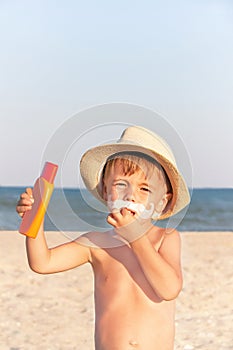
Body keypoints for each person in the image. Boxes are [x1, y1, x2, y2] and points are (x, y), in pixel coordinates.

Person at [16, 125, 190, 350]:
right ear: (106, 192)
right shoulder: (96, 244)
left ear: (162, 202)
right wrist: (34, 221)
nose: (130, 195)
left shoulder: (165, 238)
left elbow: (169, 289)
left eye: (144, 189)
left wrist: (136, 237)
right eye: (121, 184)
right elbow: (42, 262)